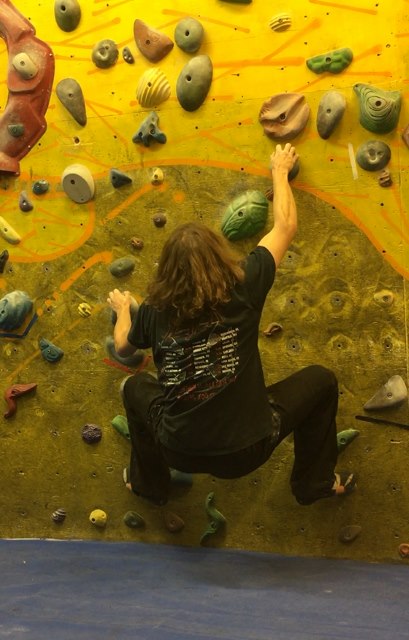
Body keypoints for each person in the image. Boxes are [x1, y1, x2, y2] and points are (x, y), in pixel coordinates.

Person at [107, 143, 356, 507]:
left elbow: (123, 347)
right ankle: (313, 483)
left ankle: (150, 486)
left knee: (134, 387)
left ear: (167, 269)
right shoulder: (243, 286)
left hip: (178, 449)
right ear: (218, 256)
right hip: (247, 451)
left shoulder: (154, 310)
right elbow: (286, 226)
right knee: (321, 380)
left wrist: (123, 309)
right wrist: (280, 170)